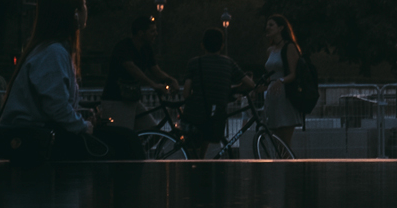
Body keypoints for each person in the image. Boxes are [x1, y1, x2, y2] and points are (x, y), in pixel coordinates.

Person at [0, 0, 103, 165]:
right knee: (120, 144)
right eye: (84, 4)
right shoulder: (54, 53)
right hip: (40, 142)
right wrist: (84, 125)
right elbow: (56, 107)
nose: (86, 9)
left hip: (37, 138)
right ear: (74, 13)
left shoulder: (48, 49)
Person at [103, 14, 172, 143]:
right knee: (122, 139)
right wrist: (154, 85)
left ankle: (137, 155)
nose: (156, 34)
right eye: (152, 31)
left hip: (132, 99)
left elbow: (155, 70)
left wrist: (170, 80)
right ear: (141, 33)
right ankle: (124, 160)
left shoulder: (146, 49)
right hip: (116, 100)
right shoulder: (123, 47)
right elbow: (132, 68)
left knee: (153, 132)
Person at [183, 26, 247, 157]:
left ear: (202, 45)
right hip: (216, 113)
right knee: (207, 139)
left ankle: (193, 169)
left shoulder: (194, 63)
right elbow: (249, 83)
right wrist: (233, 90)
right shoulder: (228, 63)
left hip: (195, 113)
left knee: (192, 150)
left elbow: (186, 92)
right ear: (222, 46)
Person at [258, 15, 310, 143]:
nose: (267, 28)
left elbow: (294, 73)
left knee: (284, 142)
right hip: (272, 96)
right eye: (267, 25)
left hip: (285, 95)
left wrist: (280, 81)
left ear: (281, 28)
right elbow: (270, 75)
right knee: (275, 141)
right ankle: (279, 162)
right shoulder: (270, 50)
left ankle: (288, 163)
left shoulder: (289, 47)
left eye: (271, 25)